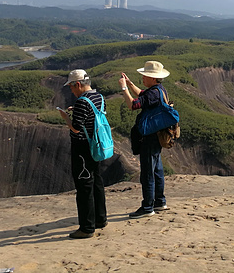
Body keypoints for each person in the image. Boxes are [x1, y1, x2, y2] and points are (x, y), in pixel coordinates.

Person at [119, 60, 172, 218]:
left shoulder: (153, 93)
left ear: (153, 78)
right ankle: (159, 201)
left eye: (145, 75)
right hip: (157, 135)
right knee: (157, 170)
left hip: (149, 137)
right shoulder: (159, 90)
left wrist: (123, 88)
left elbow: (133, 105)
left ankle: (148, 207)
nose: (143, 77)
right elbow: (142, 95)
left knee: (148, 173)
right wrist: (129, 84)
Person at [60, 69, 108, 239]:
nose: (71, 91)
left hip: (83, 148)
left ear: (78, 84)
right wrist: (79, 111)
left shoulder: (82, 102)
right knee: (97, 182)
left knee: (84, 186)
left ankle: (86, 227)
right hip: (96, 145)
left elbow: (76, 128)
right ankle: (100, 219)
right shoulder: (99, 98)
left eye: (72, 87)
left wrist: (66, 117)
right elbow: (92, 115)